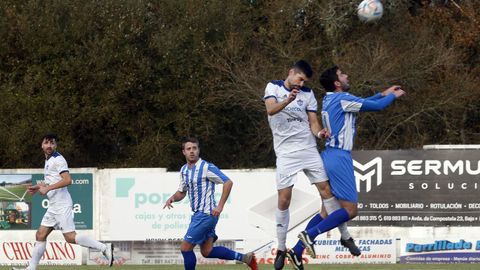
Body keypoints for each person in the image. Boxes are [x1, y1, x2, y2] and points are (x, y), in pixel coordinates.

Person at [298, 65, 406, 258]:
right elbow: (377, 107)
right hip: (339, 157)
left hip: (329, 155)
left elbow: (364, 103)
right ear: (337, 83)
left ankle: (297, 251)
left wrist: (382, 93)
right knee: (350, 210)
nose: (347, 75)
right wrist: (392, 96)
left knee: (326, 211)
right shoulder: (342, 99)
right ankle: (310, 234)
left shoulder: (331, 98)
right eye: (342, 74)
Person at [264, 60, 358, 270]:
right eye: (299, 79)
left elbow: (313, 122)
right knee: (284, 199)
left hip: (308, 149)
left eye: (304, 81)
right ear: (291, 73)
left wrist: (319, 132)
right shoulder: (273, 87)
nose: (300, 83)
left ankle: (345, 235)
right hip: (286, 153)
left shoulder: (307, 94)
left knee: (327, 193)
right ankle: (281, 248)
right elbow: (270, 110)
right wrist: (288, 100)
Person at [13, 134, 114, 270]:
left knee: (70, 237)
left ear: (56, 145)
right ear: (42, 145)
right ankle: (31, 268)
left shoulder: (58, 159)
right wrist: (39, 187)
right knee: (40, 234)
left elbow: (67, 180)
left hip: (62, 204)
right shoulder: (48, 160)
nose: (49, 146)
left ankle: (104, 247)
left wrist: (47, 188)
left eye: (52, 143)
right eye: (46, 143)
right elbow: (51, 180)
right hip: (54, 206)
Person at [163, 137, 257, 270]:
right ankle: (245, 258)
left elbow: (228, 182)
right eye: (188, 149)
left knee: (185, 248)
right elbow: (182, 192)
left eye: (194, 148)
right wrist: (172, 197)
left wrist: (220, 206)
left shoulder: (206, 167)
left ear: (198, 150)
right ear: (183, 151)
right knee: (207, 251)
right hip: (201, 215)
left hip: (206, 214)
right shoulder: (184, 170)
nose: (192, 151)